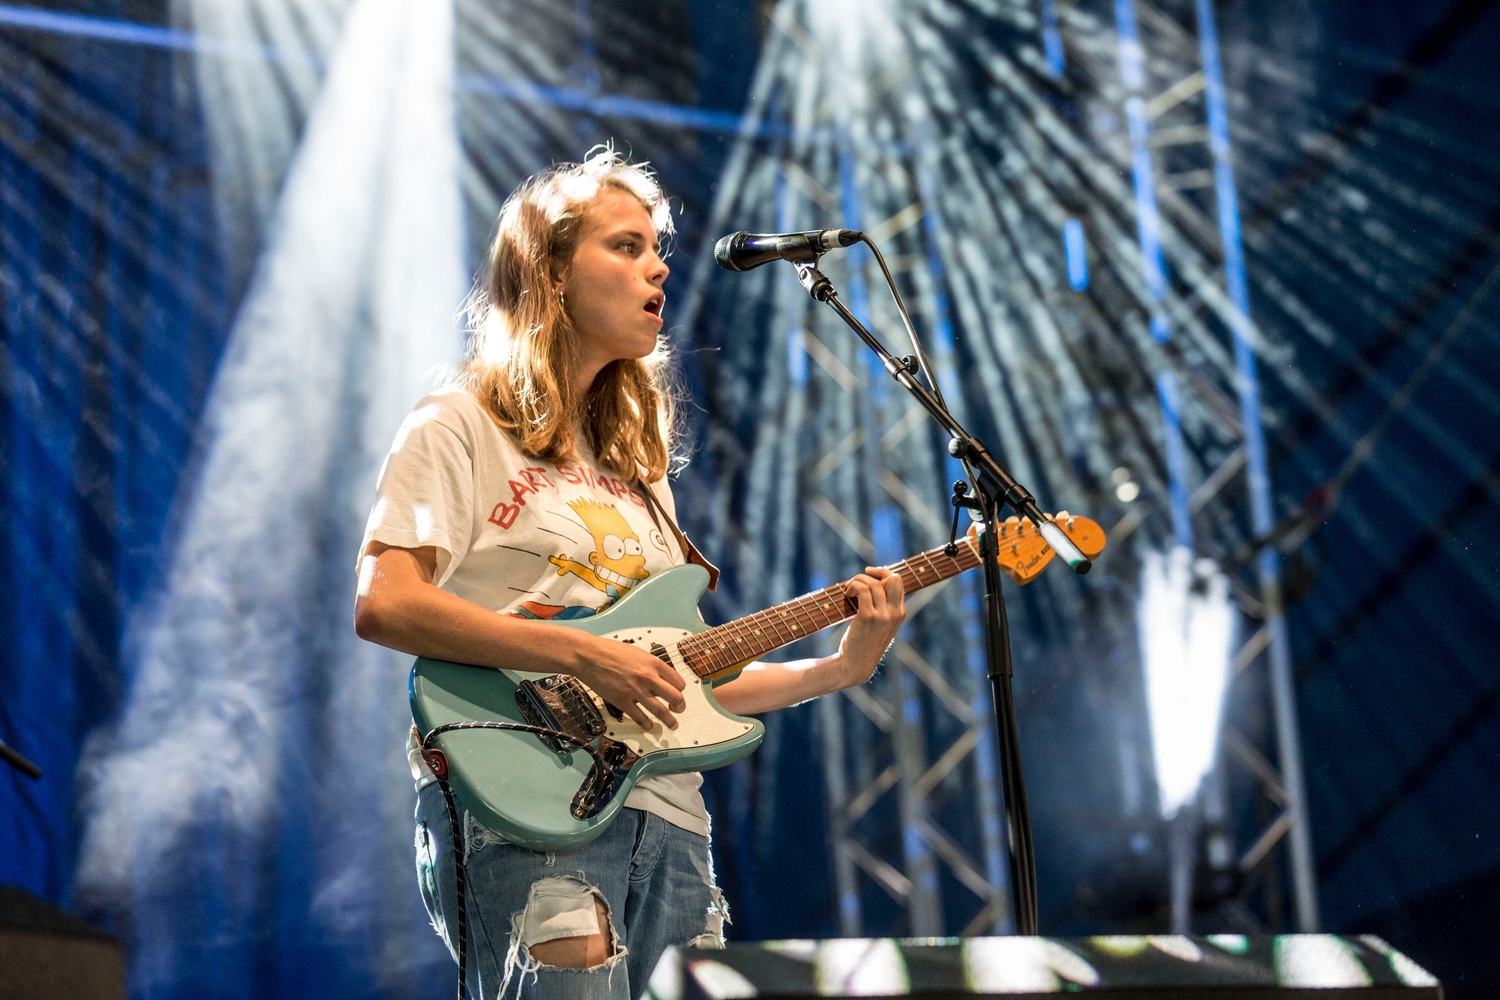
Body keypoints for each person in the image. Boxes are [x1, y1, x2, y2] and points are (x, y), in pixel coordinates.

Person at [353, 148, 905, 1000]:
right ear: (549, 272)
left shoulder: (639, 472)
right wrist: (579, 656)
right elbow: (385, 603)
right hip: (521, 793)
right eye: (625, 246)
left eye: (658, 250)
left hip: (668, 813)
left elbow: (675, 680)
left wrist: (842, 667)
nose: (657, 268)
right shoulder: (458, 423)